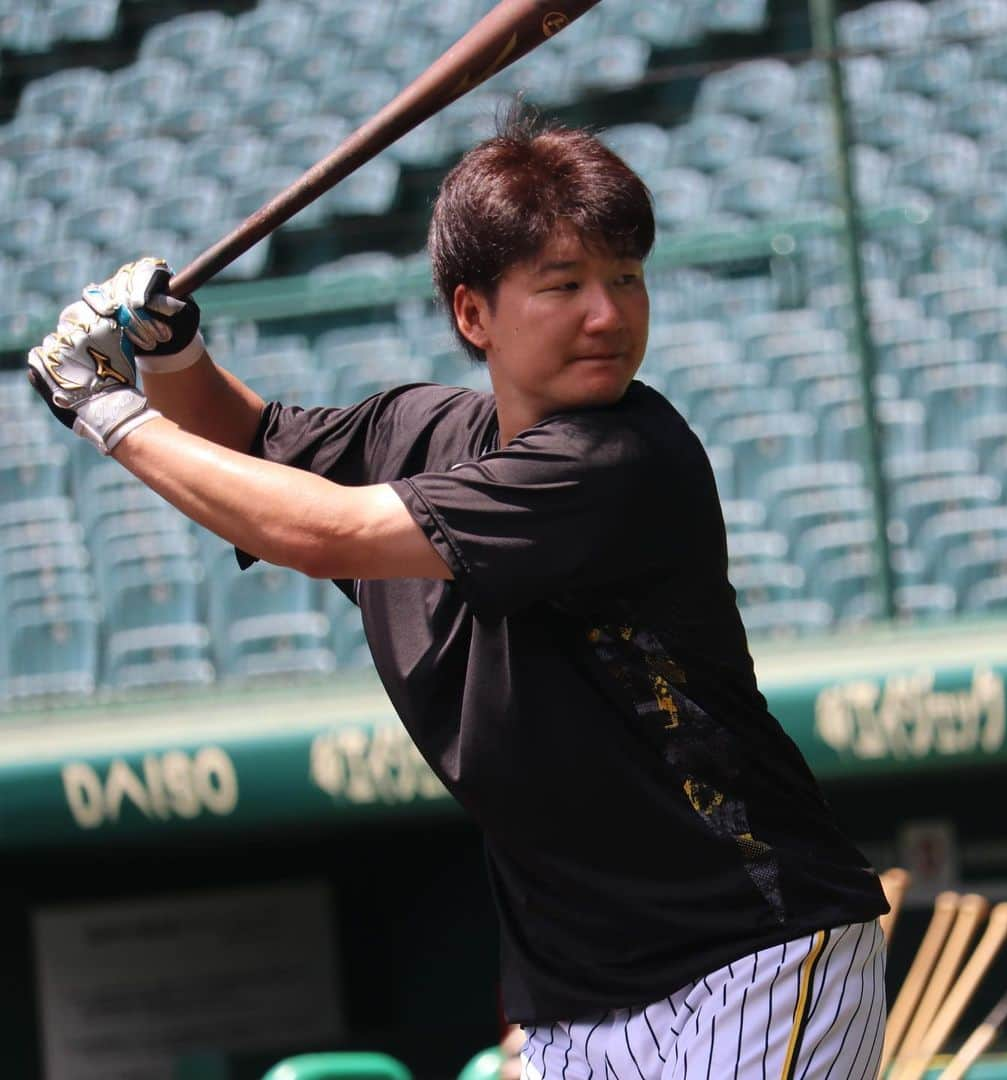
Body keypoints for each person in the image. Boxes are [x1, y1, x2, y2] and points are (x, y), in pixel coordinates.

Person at [28, 112, 889, 1078]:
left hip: (750, 954)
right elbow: (251, 449)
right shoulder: (419, 431)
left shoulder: (624, 459)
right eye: (563, 286)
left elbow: (319, 531)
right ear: (473, 314)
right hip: (578, 992)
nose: (607, 314)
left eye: (626, 278)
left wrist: (108, 410)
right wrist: (176, 351)